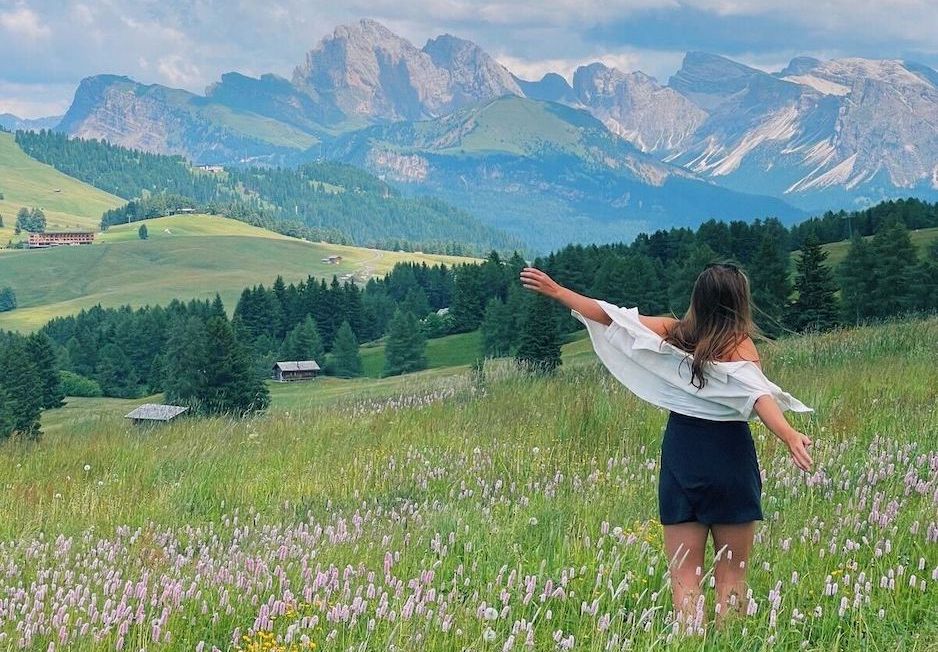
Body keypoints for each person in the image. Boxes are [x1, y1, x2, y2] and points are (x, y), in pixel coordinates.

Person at [519, 262, 814, 632]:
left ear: (699, 299)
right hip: (730, 459)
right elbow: (757, 394)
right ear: (740, 302)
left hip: (683, 456)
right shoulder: (739, 345)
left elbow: (615, 319)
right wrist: (788, 434)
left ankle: (691, 642)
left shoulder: (676, 332)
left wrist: (558, 291)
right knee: (732, 577)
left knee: (685, 576)